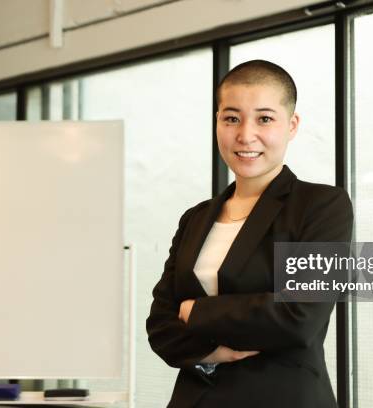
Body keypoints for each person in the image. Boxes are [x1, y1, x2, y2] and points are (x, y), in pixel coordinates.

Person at [146, 59, 353, 408]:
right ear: (217, 123)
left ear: (292, 125)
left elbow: (299, 315)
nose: (245, 135)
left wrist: (195, 312)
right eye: (231, 118)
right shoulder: (194, 219)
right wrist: (213, 350)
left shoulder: (320, 206)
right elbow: (160, 327)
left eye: (265, 118)